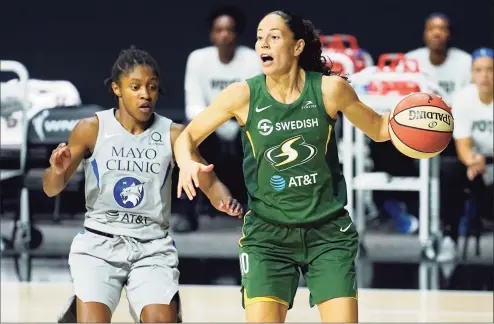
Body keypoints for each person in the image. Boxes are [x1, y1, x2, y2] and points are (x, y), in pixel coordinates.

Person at [174, 10, 394, 323]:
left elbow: (380, 128)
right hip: (267, 235)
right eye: (259, 37)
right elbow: (187, 137)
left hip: (328, 233)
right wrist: (186, 163)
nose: (263, 43)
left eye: (273, 36)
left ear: (297, 47)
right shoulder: (242, 95)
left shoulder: (330, 90)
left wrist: (415, 118)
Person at [43, 46, 243, 323]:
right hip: (99, 244)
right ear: (117, 88)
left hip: (152, 246)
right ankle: (80, 307)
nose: (145, 94)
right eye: (135, 87)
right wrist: (56, 170)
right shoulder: (91, 128)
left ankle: (166, 302)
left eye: (152, 87)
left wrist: (225, 201)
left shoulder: (174, 134)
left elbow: (209, 181)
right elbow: (51, 188)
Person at [176, 5, 262, 232]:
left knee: (262, 139)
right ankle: (187, 214)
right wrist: (216, 121)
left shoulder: (252, 59)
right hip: (209, 125)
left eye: (229, 30)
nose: (224, 35)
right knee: (188, 142)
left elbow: (255, 104)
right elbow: (193, 105)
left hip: (243, 125)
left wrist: (232, 121)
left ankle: (261, 214)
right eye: (219, 30)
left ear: (237, 34)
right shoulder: (198, 59)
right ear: (212, 34)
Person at [437, 48, 493, 262]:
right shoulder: (463, 98)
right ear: (472, 74)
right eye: (479, 70)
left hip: (488, 161)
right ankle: (449, 238)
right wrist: (473, 161)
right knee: (450, 171)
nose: (485, 75)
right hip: (475, 163)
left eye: (490, 70)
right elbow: (462, 144)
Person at [406, 13, 472, 103]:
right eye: (431, 29)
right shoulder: (410, 61)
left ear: (449, 34)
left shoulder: (465, 62)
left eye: (442, 29)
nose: (436, 33)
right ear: (424, 34)